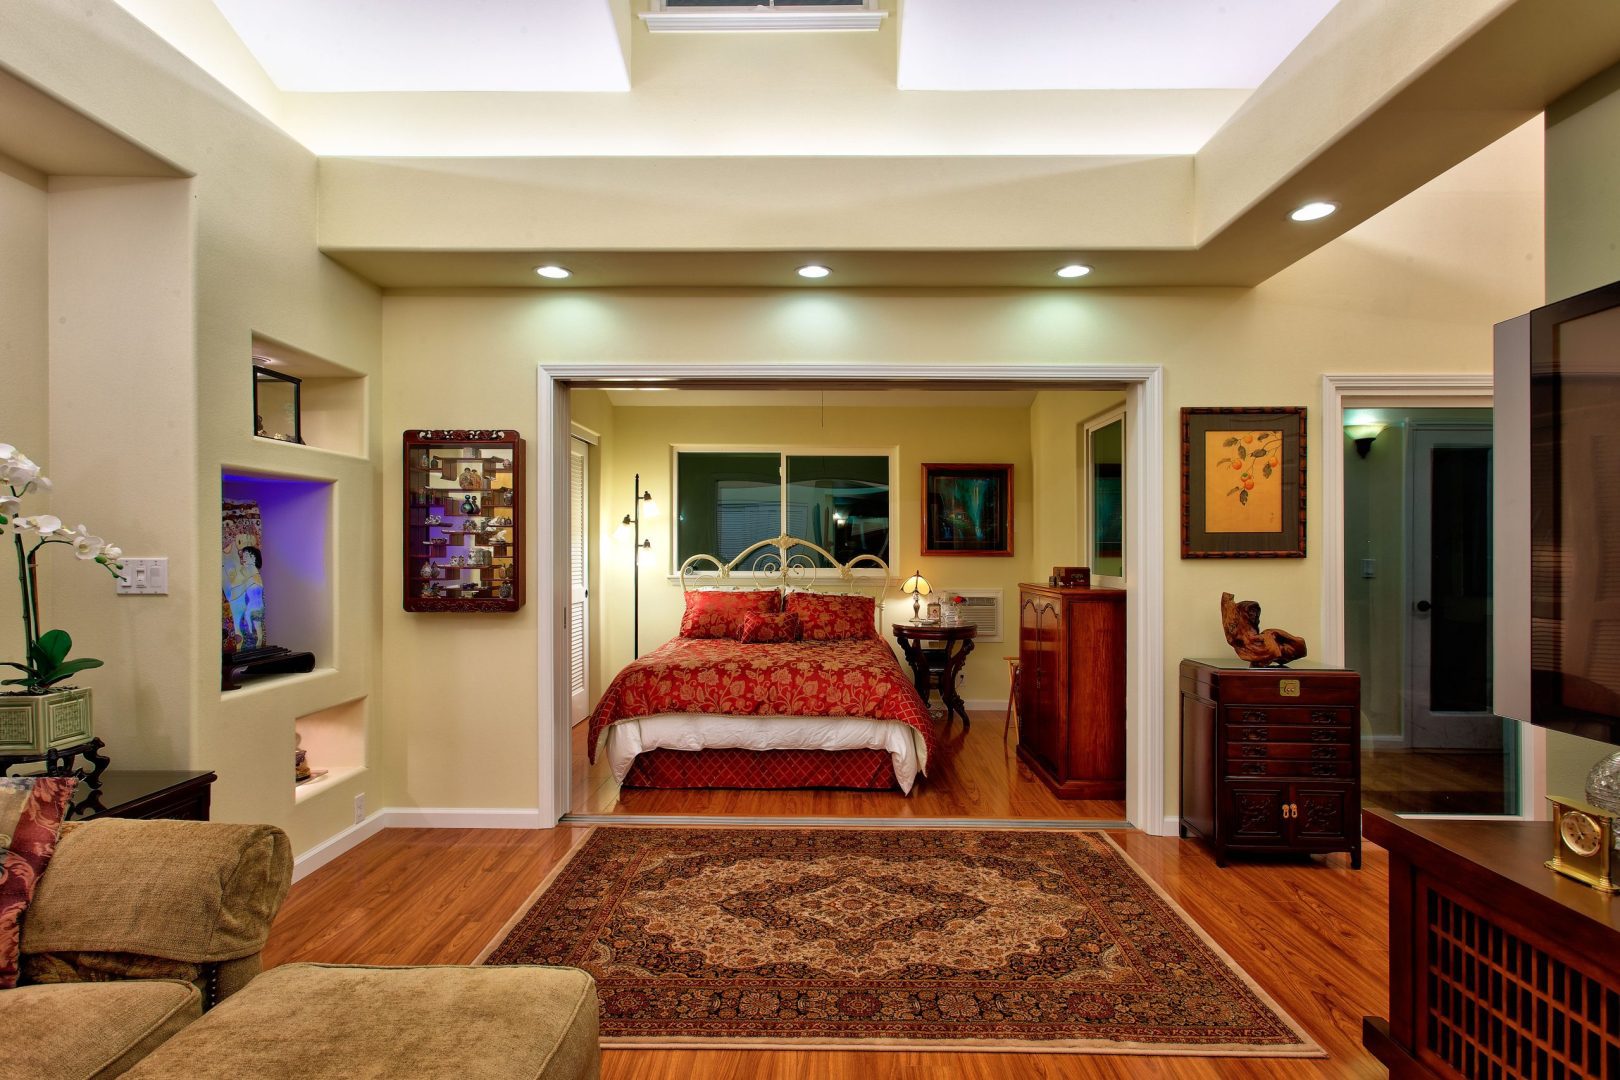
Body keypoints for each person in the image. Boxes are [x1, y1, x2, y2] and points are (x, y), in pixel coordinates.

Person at [226, 544, 266, 650]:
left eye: (247, 555)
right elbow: (235, 587)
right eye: (243, 555)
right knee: (253, 633)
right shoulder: (247, 572)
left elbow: (237, 589)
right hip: (251, 608)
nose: (244, 557)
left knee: (255, 634)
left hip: (255, 608)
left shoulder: (252, 574)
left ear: (254, 558)